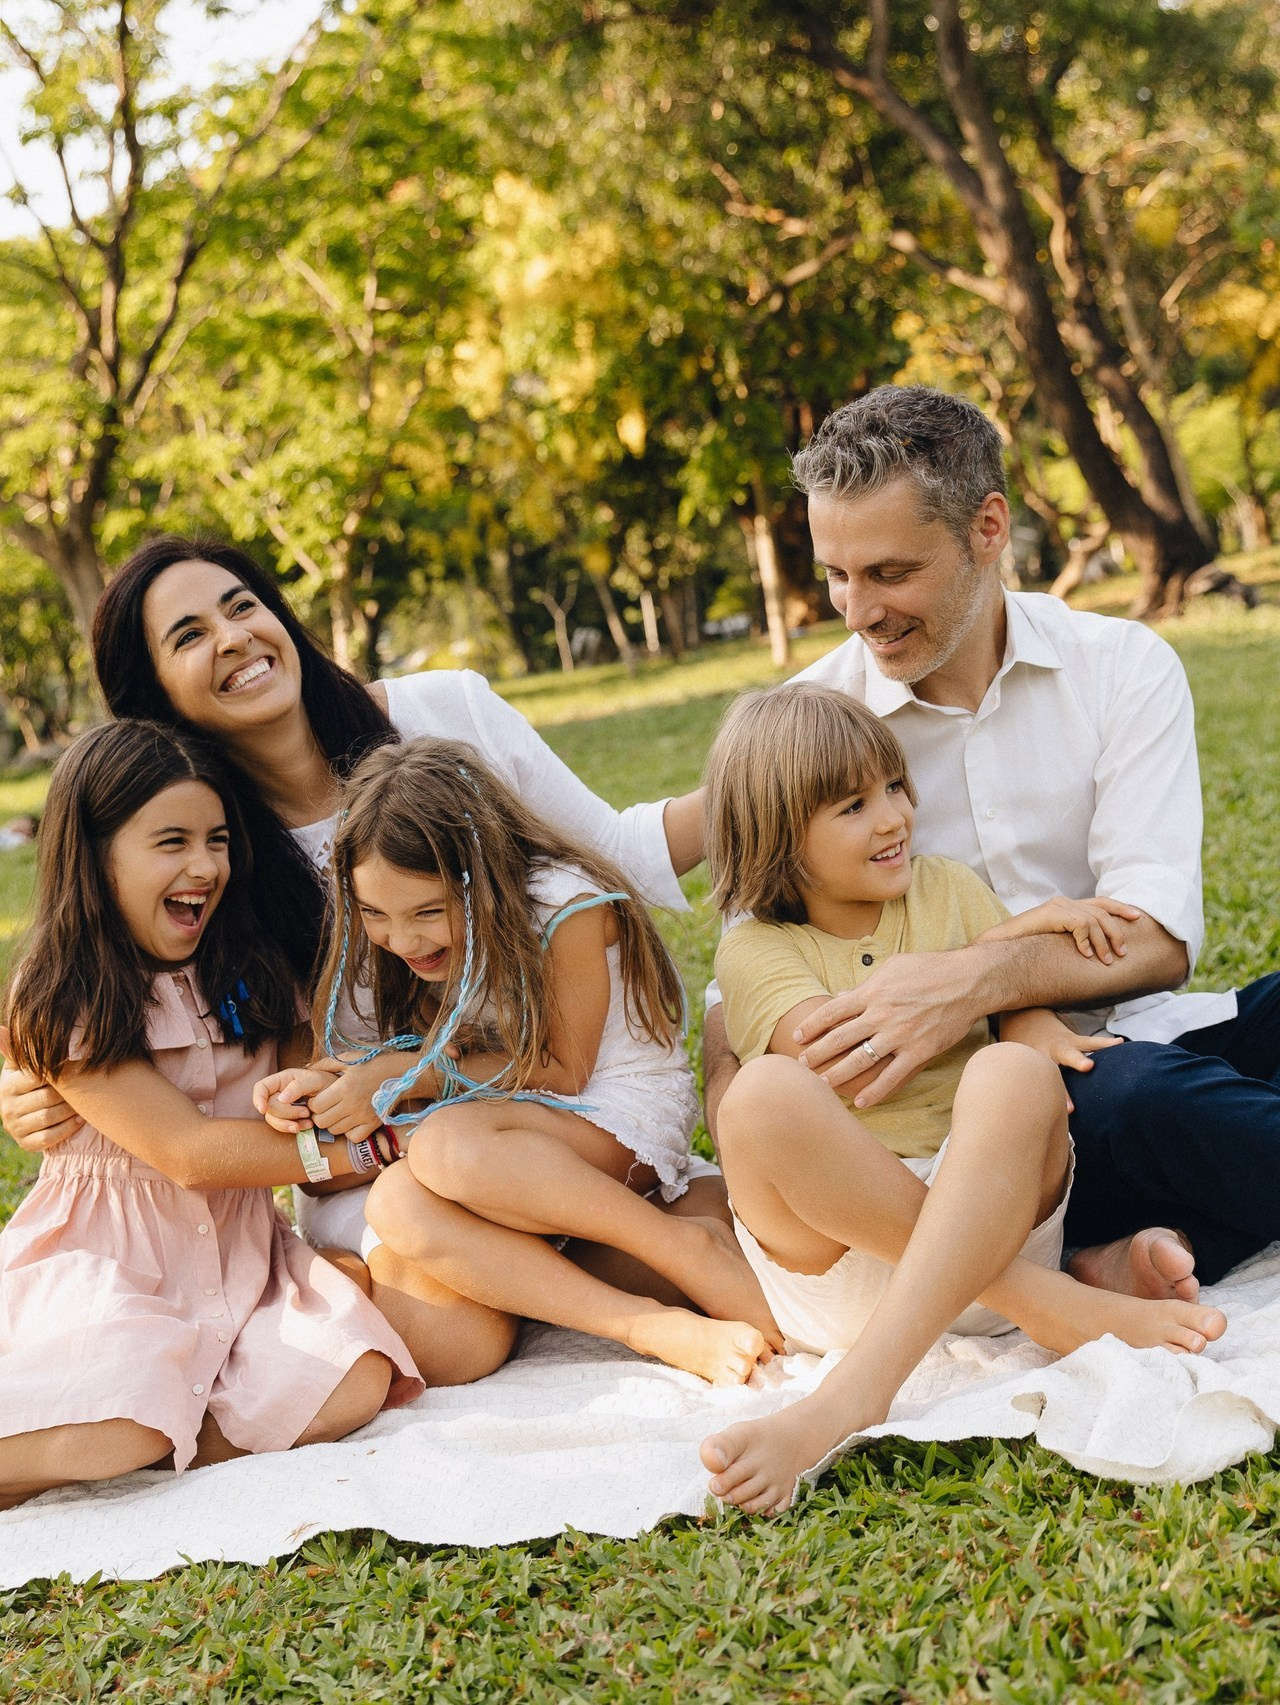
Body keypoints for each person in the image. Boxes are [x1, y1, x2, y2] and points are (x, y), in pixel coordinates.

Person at [0, 536, 714, 1383]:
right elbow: (100, 963)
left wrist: (781, 768)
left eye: (240, 606)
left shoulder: (447, 713)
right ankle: (581, 1273)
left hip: (555, 1094)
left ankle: (596, 1258)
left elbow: (611, 853)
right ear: (153, 697)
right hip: (387, 1154)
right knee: (458, 1333)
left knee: (690, 1224)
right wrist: (35, 1068)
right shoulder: (209, 849)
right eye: (188, 636)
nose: (232, 638)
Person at [703, 385, 1278, 1302]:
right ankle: (1104, 1243)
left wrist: (970, 980)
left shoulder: (1122, 666)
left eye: (890, 572)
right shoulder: (815, 731)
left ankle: (1142, 1241)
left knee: (1219, 1047)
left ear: (988, 527)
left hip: (1136, 1032)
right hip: (1004, 1113)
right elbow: (743, 998)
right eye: (837, 575)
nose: (857, 611)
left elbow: (1158, 937)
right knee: (1141, 1100)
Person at [697, 685, 1227, 1514]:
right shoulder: (757, 948)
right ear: (778, 839)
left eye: (896, 787)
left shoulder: (946, 887)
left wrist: (1012, 959)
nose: (893, 816)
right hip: (842, 1264)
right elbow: (841, 1053)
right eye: (853, 804)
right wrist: (987, 954)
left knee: (1016, 1073)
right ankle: (1044, 1301)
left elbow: (1025, 1023)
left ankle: (859, 1392)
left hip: (987, 1210)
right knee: (761, 1094)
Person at [255, 737, 777, 1385]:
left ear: (484, 875)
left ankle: (682, 1245)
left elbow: (562, 1069)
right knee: (396, 1205)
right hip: (519, 1135)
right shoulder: (411, 938)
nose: (403, 939)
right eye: (377, 916)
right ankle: (642, 1321)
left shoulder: (562, 902)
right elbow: (453, 1052)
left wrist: (405, 1078)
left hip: (611, 1111)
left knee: (444, 1149)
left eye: (426, 912)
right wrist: (338, 1082)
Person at [0, 721, 420, 1509]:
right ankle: (114, 1433)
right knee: (128, 1393)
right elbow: (190, 1152)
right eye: (171, 842)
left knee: (354, 1374)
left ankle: (150, 1435)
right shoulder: (67, 991)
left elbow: (302, 1081)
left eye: (217, 839)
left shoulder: (254, 966)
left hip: (242, 1261)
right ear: (95, 854)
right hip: (111, 1265)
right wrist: (364, 1148)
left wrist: (313, 1090)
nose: (204, 865)